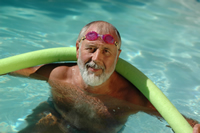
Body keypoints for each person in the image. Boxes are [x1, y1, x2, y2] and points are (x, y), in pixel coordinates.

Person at [4, 21, 200, 133]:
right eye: (91, 49)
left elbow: (178, 120)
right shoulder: (59, 74)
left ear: (118, 56)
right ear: (77, 48)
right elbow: (13, 68)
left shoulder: (129, 97)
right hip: (52, 119)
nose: (96, 59)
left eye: (107, 51)